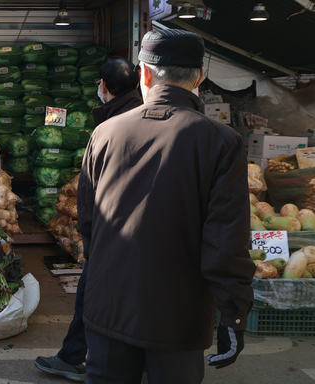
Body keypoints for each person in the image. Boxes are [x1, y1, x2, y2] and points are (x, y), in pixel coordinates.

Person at [77, 29, 256, 384]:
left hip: (107, 306)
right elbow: (225, 242)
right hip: (178, 316)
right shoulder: (222, 141)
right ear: (199, 78)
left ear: (144, 73)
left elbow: (88, 223)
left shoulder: (106, 132)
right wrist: (234, 313)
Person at [34, 56, 143, 382]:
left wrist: (90, 235)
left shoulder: (112, 128)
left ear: (105, 86)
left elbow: (91, 190)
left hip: (113, 232)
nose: (97, 87)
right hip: (138, 231)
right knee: (130, 299)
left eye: (99, 82)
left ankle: (75, 360)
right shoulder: (140, 115)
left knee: (91, 298)